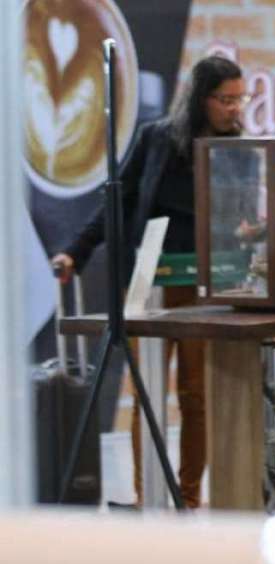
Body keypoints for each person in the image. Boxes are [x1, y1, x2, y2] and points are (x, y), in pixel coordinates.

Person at [51, 55, 249, 509]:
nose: (235, 109)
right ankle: (147, 498)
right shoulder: (156, 139)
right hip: (148, 281)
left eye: (240, 99)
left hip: (205, 286)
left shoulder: (239, 149)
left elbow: (244, 214)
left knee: (195, 395)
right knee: (147, 392)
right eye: (225, 100)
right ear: (201, 99)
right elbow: (116, 202)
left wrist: (248, 230)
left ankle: (189, 500)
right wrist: (76, 251)